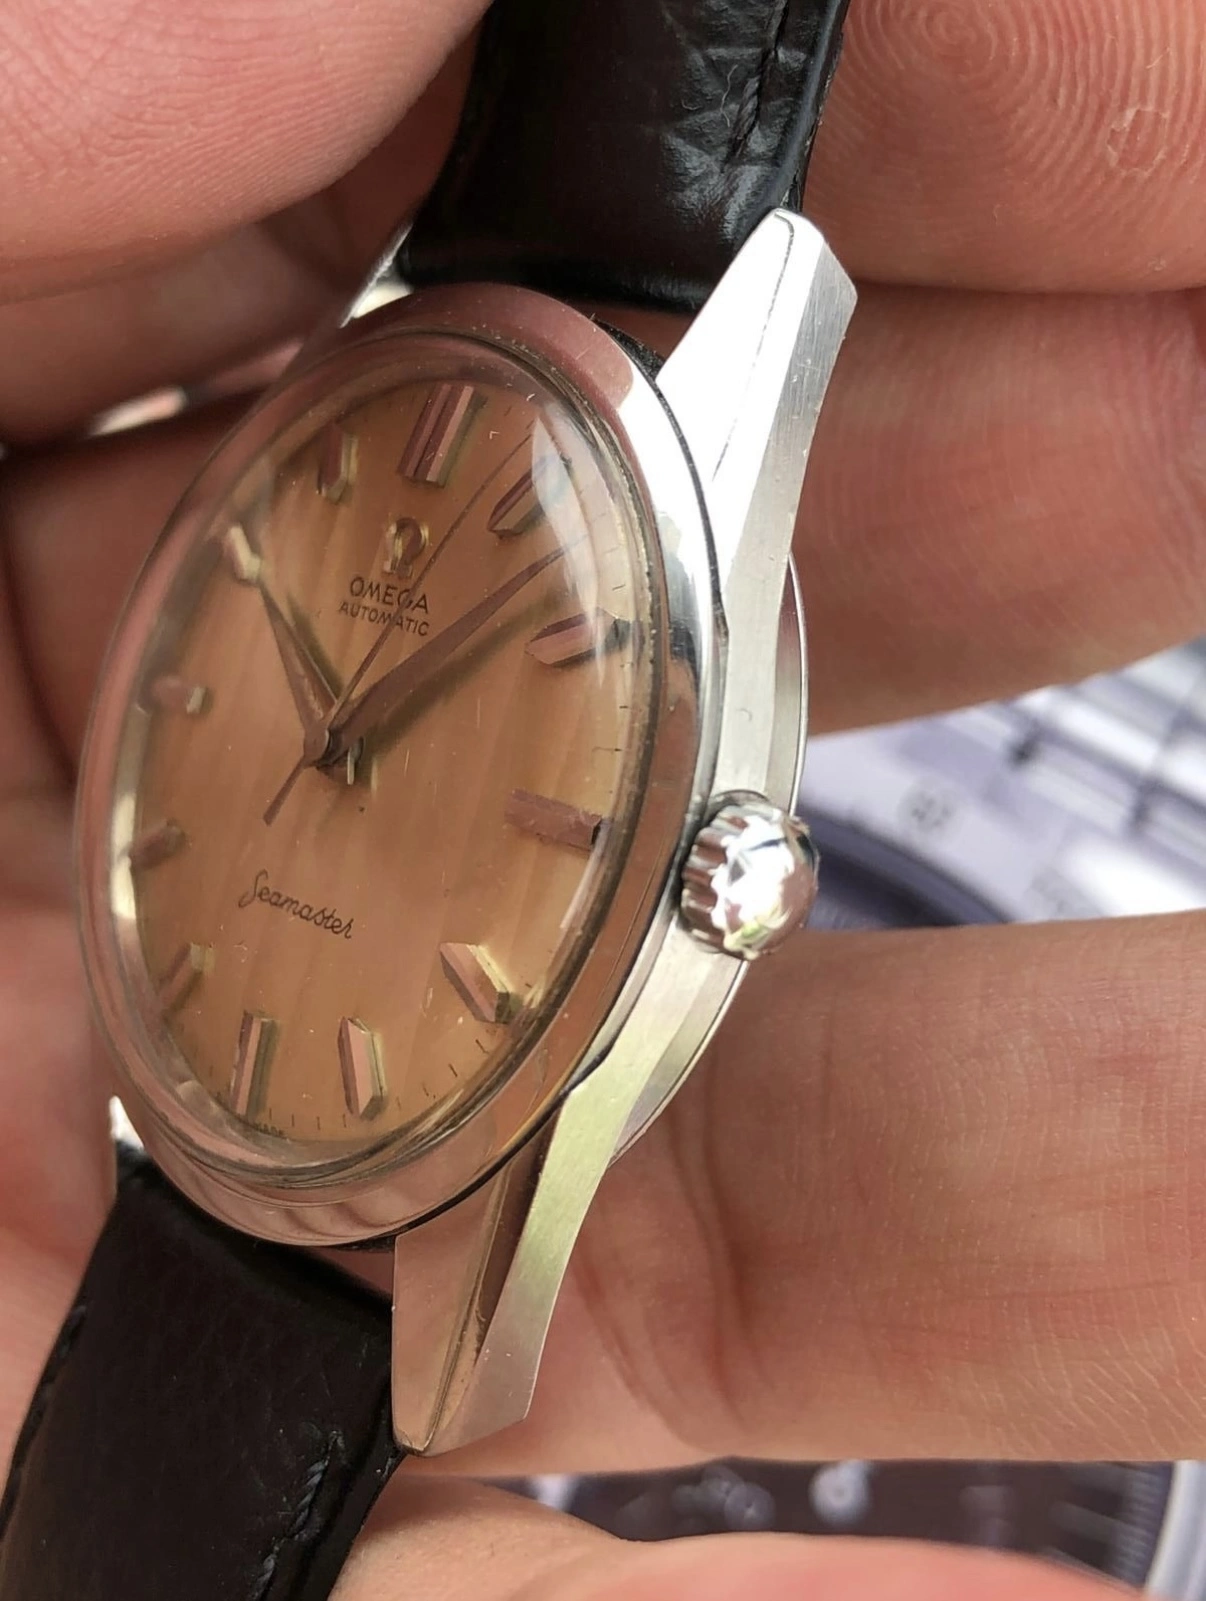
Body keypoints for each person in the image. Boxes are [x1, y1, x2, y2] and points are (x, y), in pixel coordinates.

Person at [2, 2, 1203, 1596]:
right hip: (207, 1080)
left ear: (729, 875)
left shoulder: (649, 346)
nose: (339, 743)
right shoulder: (394, 350)